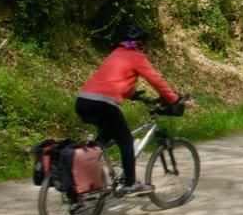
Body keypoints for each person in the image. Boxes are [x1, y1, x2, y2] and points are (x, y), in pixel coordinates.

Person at [75, 24, 180, 196]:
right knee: (125, 140)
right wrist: (173, 98)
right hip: (103, 104)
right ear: (141, 43)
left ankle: (90, 173)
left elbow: (111, 80)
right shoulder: (136, 56)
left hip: (84, 102)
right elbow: (156, 80)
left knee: (104, 139)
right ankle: (130, 184)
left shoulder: (116, 54)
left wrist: (132, 94)